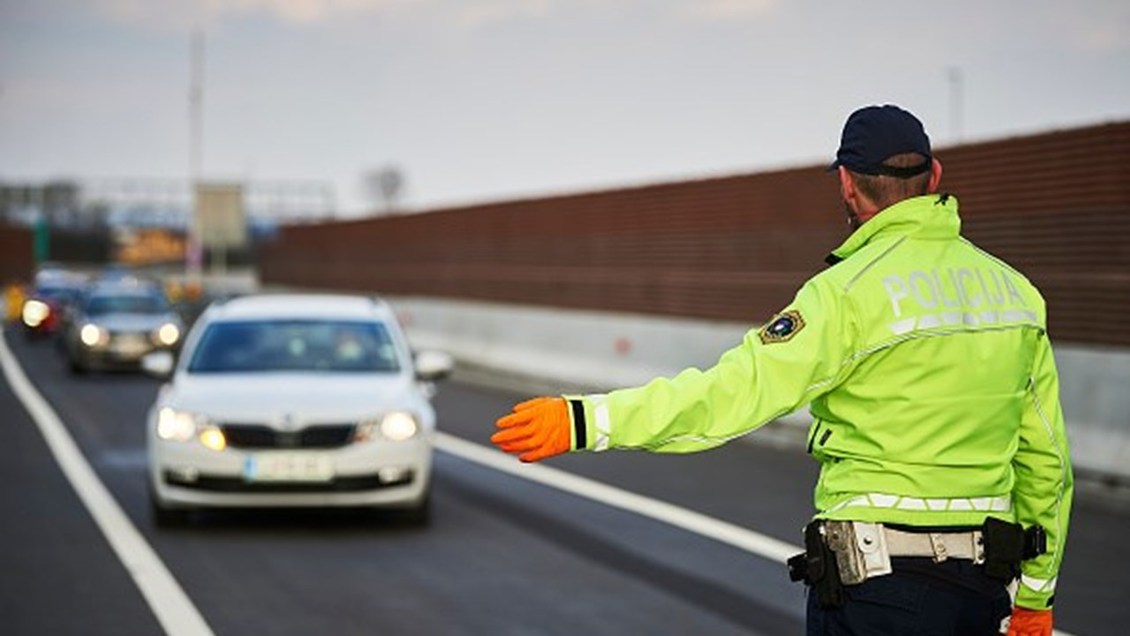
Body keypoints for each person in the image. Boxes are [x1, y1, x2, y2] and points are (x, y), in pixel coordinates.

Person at [490, 104, 1072, 636]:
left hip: (878, 591)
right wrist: (1035, 596)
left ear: (847, 184)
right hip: (983, 592)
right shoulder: (1017, 296)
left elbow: (731, 395)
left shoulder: (845, 294)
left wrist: (585, 421)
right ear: (935, 177)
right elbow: (1046, 461)